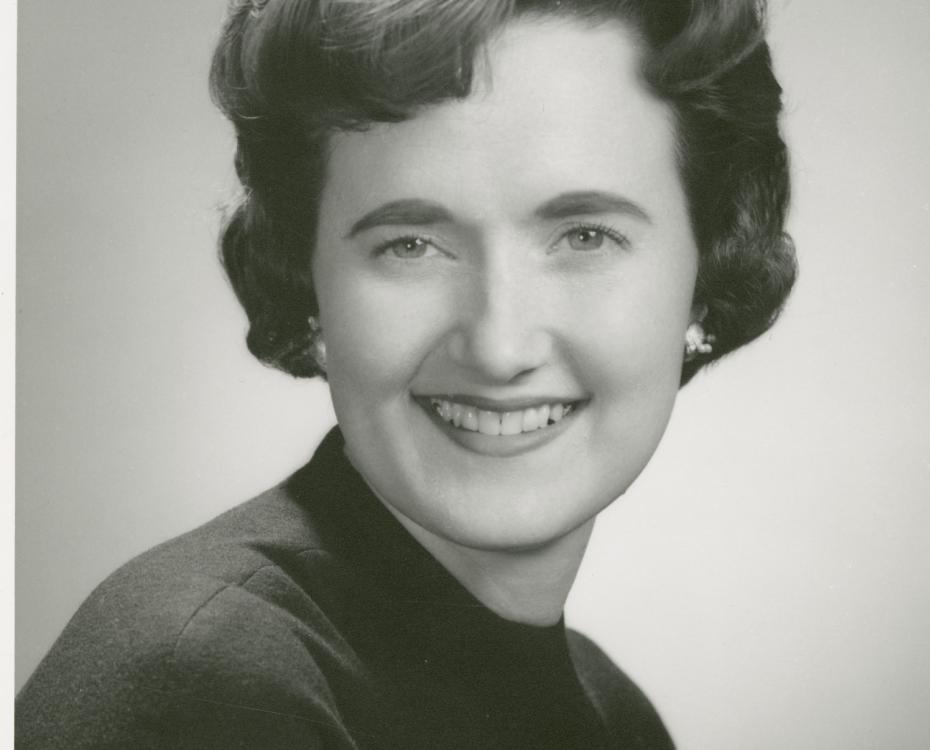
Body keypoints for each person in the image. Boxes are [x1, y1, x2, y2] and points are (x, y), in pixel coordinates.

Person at [15, 0, 796, 747]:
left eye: (585, 236)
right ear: (307, 285)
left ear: (705, 277)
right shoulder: (207, 691)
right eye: (410, 246)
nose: (498, 346)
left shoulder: (611, 715)